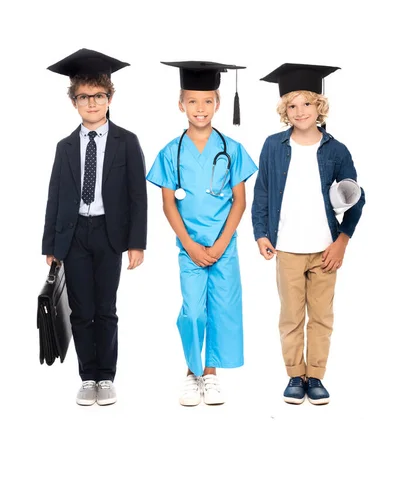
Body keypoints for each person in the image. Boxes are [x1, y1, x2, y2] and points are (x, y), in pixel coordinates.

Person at [252, 63, 365, 405]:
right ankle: (294, 375)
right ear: (284, 110)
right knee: (290, 316)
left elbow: (356, 195)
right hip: (286, 247)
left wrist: (342, 241)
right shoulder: (273, 146)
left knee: (320, 316)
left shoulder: (336, 150)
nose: (300, 111)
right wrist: (261, 233)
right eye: (292, 105)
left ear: (320, 106)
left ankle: (315, 375)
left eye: (307, 103)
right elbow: (262, 193)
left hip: (324, 250)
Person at [147, 61, 257, 406]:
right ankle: (191, 372)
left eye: (207, 101)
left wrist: (222, 243)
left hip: (225, 246)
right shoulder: (170, 152)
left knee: (221, 309)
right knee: (193, 311)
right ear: (181, 104)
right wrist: (191, 245)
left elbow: (240, 202)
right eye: (192, 101)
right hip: (189, 247)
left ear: (218, 103)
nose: (200, 109)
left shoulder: (233, 149)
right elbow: (168, 205)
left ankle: (210, 375)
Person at [42, 48, 147, 406]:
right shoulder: (65, 146)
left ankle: (107, 376)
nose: (91, 103)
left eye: (98, 96)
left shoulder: (126, 142)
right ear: (74, 101)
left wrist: (136, 243)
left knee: (106, 308)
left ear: (110, 98)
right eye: (83, 97)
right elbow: (54, 197)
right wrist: (50, 245)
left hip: (109, 234)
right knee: (80, 309)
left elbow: (137, 197)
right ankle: (88, 376)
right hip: (73, 236)